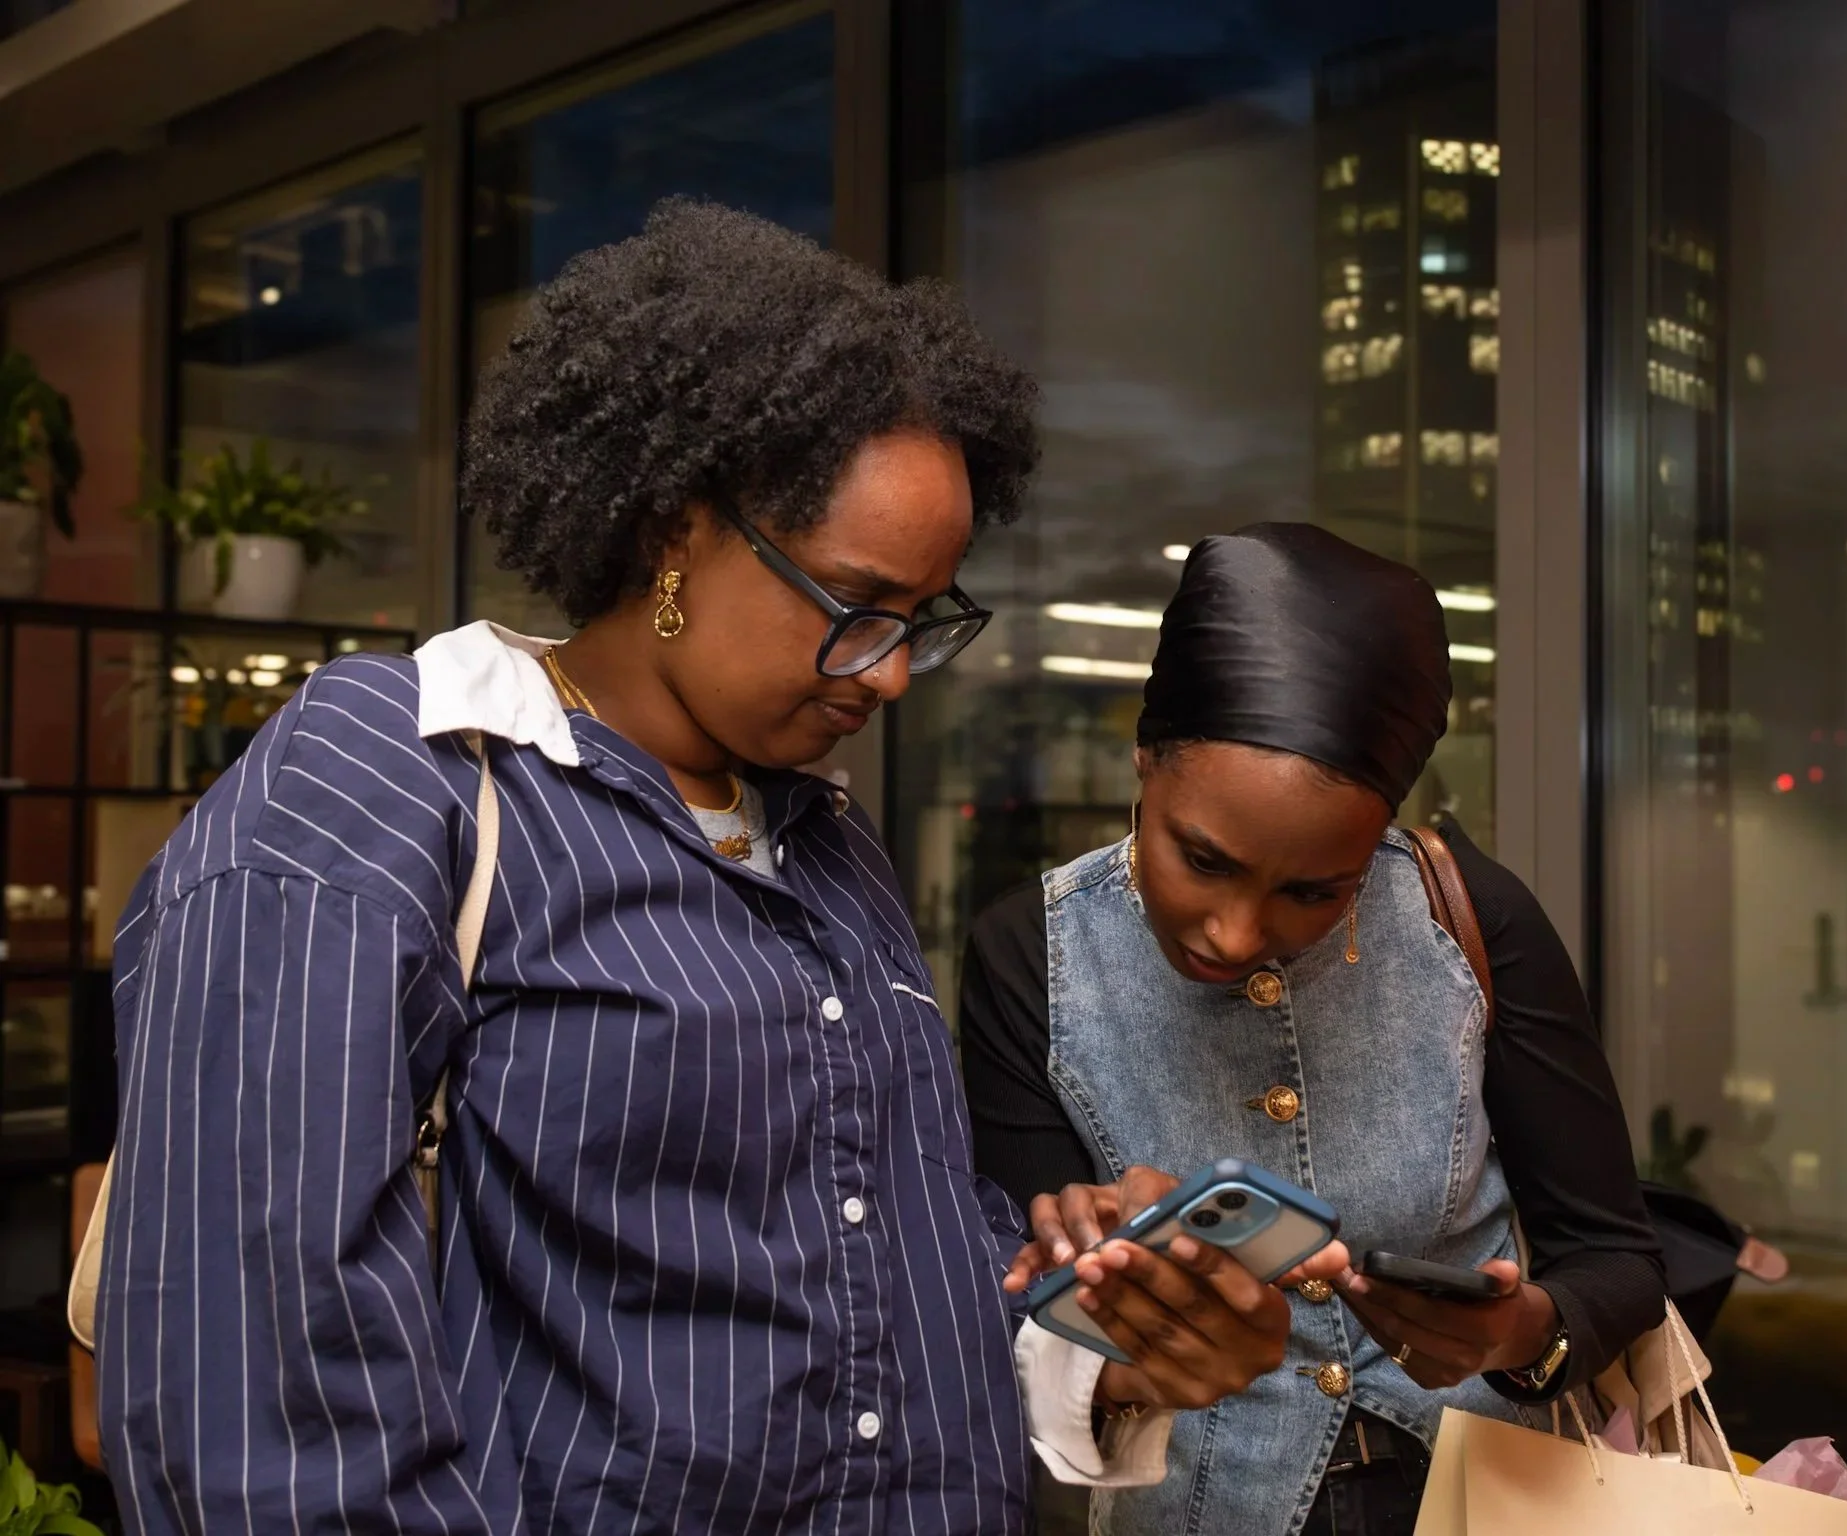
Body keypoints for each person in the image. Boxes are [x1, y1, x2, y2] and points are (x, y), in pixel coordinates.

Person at [95, 204, 1341, 1534]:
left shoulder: (828, 848)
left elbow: (880, 1280)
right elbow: (264, 1406)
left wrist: (1110, 1344)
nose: (897, 671)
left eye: (925, 619)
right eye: (857, 607)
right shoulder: (395, 782)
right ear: (677, 534)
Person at [962, 524, 1667, 1535]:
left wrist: (1516, 1334)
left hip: (1491, 1502)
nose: (1236, 932)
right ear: (1144, 762)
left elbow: (1614, 1257)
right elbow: (1037, 1333)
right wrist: (1111, 1267)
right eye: (1201, 861)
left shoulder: (1467, 919)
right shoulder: (1031, 952)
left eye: (1312, 891)